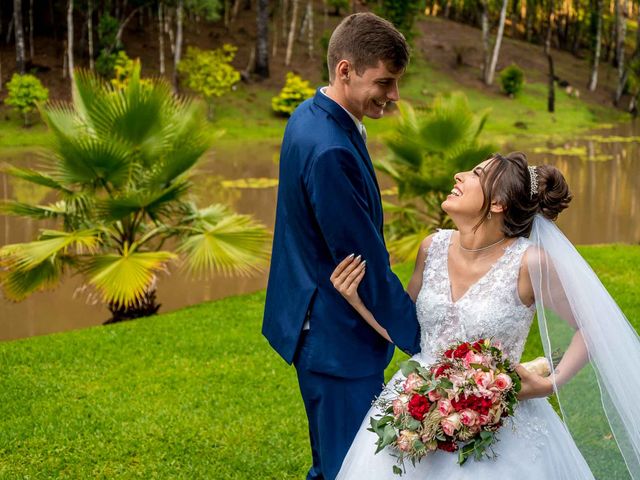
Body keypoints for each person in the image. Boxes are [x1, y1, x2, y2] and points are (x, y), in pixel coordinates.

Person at [331, 152, 640, 479]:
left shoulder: (529, 263)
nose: (458, 176)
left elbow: (591, 328)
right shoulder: (431, 247)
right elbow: (408, 330)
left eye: (475, 173)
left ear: (498, 204)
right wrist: (357, 301)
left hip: (498, 414)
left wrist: (550, 384)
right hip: (416, 401)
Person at [262, 13, 422, 480]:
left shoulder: (310, 113)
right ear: (345, 70)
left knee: (334, 462)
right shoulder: (329, 148)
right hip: (336, 339)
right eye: (385, 82)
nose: (393, 96)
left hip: (316, 323)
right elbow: (362, 261)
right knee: (353, 468)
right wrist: (420, 337)